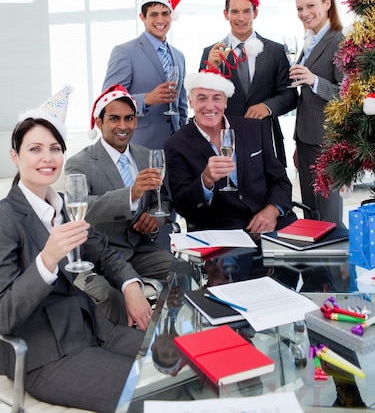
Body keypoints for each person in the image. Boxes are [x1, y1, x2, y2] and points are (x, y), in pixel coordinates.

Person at [0, 86, 148, 413]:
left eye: (54, 148)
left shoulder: (67, 206)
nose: (47, 158)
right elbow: (4, 315)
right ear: (15, 155)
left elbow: (105, 252)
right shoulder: (5, 218)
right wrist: (47, 259)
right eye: (35, 149)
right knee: (146, 393)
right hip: (46, 355)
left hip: (98, 330)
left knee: (176, 357)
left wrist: (131, 285)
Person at [64, 84, 176, 324]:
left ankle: (167, 333)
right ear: (99, 122)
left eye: (129, 118)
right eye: (114, 118)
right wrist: (131, 195)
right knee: (109, 298)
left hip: (140, 251)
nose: (123, 126)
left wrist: (154, 219)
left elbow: (164, 201)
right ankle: (121, 346)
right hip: (101, 257)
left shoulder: (146, 155)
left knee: (181, 272)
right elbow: (83, 209)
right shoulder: (80, 163)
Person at [163, 71, 296, 232]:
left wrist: (272, 211)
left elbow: (280, 180)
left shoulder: (254, 128)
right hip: (223, 232)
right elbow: (183, 206)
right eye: (202, 98)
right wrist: (205, 181)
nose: (210, 106)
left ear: (225, 102)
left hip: (272, 225)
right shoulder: (176, 144)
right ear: (190, 102)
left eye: (217, 98)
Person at [199, 0, 297, 166]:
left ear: (256, 13)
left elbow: (290, 95)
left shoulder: (275, 51)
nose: (241, 18)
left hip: (266, 139)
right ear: (226, 14)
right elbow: (201, 99)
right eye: (235, 11)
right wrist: (211, 67)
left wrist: (267, 107)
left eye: (246, 11)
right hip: (225, 140)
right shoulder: (211, 52)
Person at [102, 0, 188, 149]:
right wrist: (147, 99)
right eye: (154, 14)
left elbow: (181, 103)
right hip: (141, 144)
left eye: (165, 13)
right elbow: (109, 98)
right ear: (143, 17)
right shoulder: (125, 52)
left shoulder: (178, 55)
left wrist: (183, 130)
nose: (160, 19)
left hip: (176, 146)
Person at [289, 0, 344, 226]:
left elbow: (346, 97)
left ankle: (338, 264)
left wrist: (313, 80)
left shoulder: (339, 40)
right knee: (312, 215)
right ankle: (317, 265)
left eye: (310, 6)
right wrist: (298, 143)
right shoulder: (310, 40)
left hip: (326, 144)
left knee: (329, 218)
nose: (304, 14)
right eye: (300, 8)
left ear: (327, 4)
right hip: (307, 140)